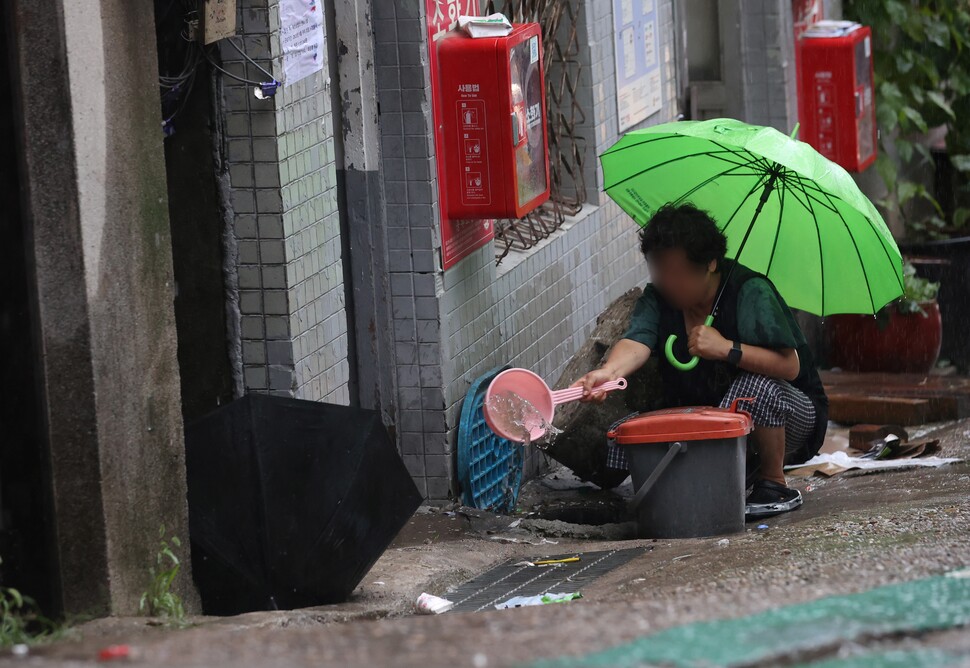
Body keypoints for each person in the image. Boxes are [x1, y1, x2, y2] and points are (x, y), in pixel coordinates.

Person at [572, 203, 828, 518]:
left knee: (756, 389)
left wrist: (726, 348)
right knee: (630, 431)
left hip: (789, 418)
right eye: (657, 269)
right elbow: (637, 341)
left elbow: (790, 366)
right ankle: (719, 476)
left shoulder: (750, 292)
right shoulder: (659, 298)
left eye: (675, 271)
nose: (666, 280)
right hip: (717, 416)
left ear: (709, 263)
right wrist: (608, 373)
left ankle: (774, 483)